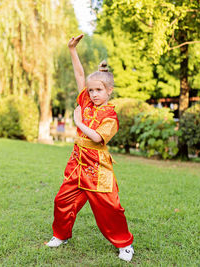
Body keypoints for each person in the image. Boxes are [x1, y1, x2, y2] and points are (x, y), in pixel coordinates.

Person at [46, 34, 134, 262]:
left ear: (109, 91)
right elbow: (79, 75)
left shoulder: (110, 115)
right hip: (77, 163)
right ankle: (61, 235)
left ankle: (125, 244)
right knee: (62, 201)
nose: (94, 94)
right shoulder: (85, 101)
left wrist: (79, 123)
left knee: (110, 209)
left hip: (98, 168)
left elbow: (96, 138)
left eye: (99, 91)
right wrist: (72, 50)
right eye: (91, 90)